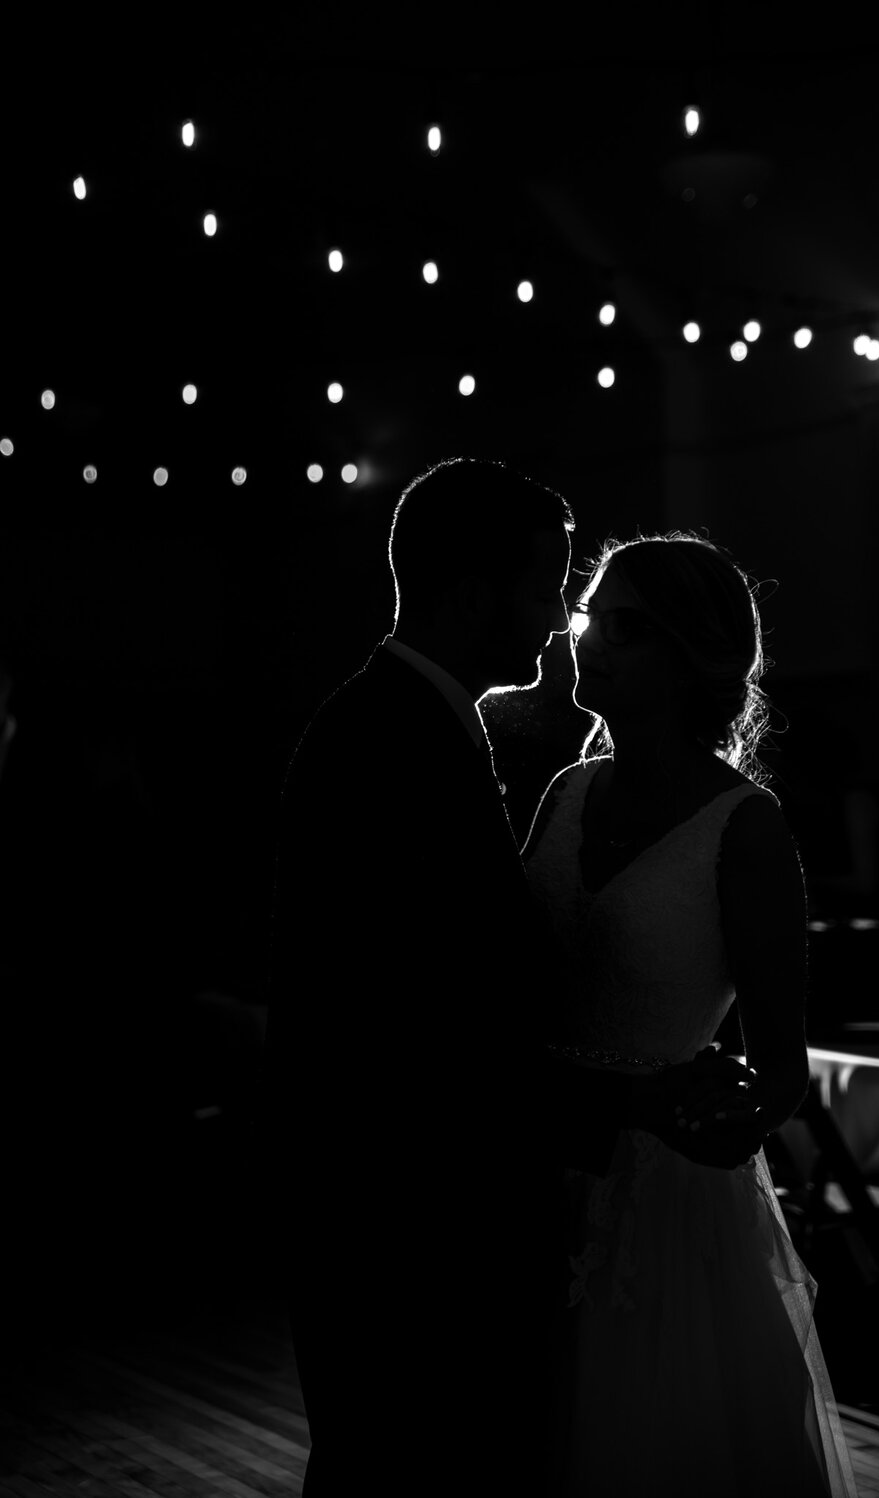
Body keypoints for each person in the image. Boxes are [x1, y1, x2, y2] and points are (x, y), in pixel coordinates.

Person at [264, 462, 753, 1495]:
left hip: (420, 1213)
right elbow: (432, 1035)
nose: (555, 628)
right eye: (544, 595)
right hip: (410, 1228)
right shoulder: (391, 744)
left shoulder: (413, 724)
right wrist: (628, 1097)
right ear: (476, 594)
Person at [523, 533, 858, 1497]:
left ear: (688, 654)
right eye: (590, 616)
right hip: (537, 1154)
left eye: (620, 626)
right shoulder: (567, 790)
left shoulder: (743, 827)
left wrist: (724, 1120)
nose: (585, 638)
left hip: (664, 1197)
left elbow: (782, 1064)